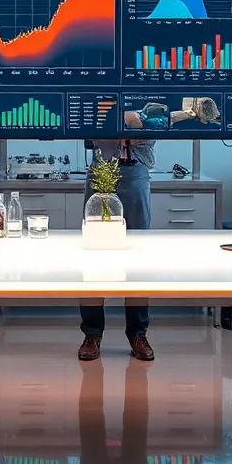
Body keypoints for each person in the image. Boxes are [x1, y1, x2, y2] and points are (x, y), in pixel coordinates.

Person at [77, 138, 156, 362]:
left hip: (136, 168)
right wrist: (122, 122)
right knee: (93, 249)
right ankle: (91, 334)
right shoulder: (95, 101)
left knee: (138, 253)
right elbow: (87, 131)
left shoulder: (144, 101)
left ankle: (138, 334)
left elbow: (152, 129)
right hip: (100, 166)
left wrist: (129, 123)